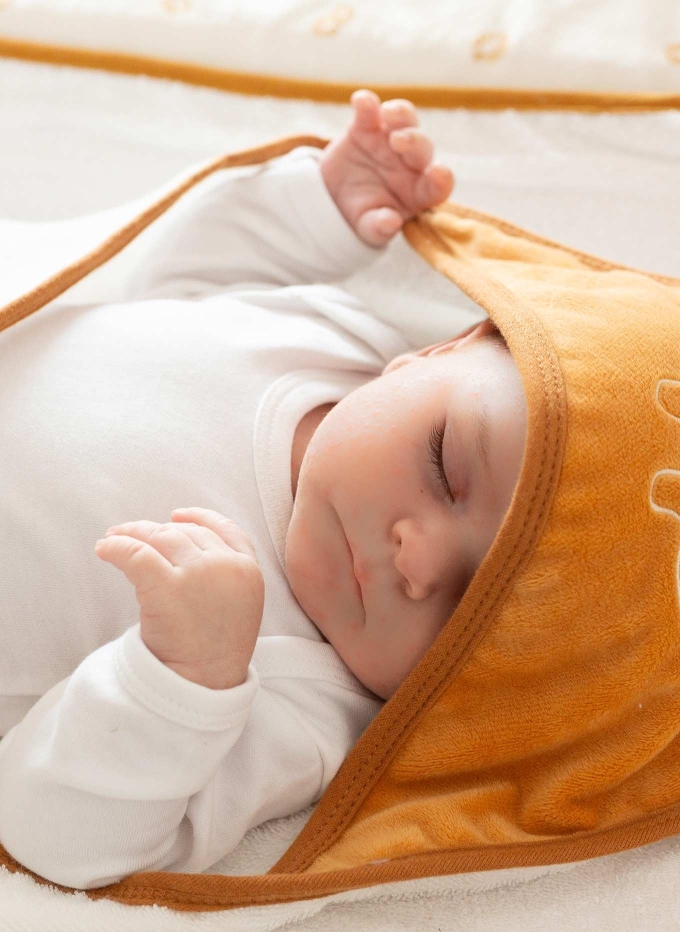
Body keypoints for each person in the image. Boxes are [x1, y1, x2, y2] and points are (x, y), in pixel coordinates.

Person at [0, 90, 527, 890]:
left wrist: (177, 683)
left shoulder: (305, 701)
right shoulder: (331, 336)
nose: (418, 561)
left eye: (468, 607)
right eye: (446, 464)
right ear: (433, 354)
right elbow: (182, 271)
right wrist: (321, 204)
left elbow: (56, 840)